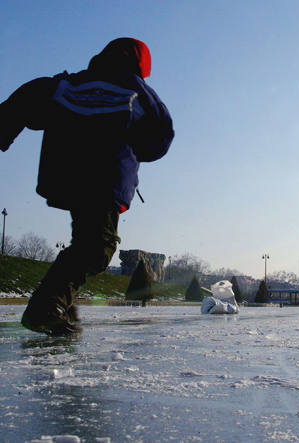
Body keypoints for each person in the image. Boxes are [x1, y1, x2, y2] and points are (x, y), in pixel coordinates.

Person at [0, 38, 174, 336]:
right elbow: (160, 135)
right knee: (98, 247)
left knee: (86, 239)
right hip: (104, 177)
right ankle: (47, 305)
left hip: (64, 173)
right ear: (141, 66)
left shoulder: (69, 83)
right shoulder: (137, 90)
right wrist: (136, 150)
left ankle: (64, 310)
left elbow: (27, 98)